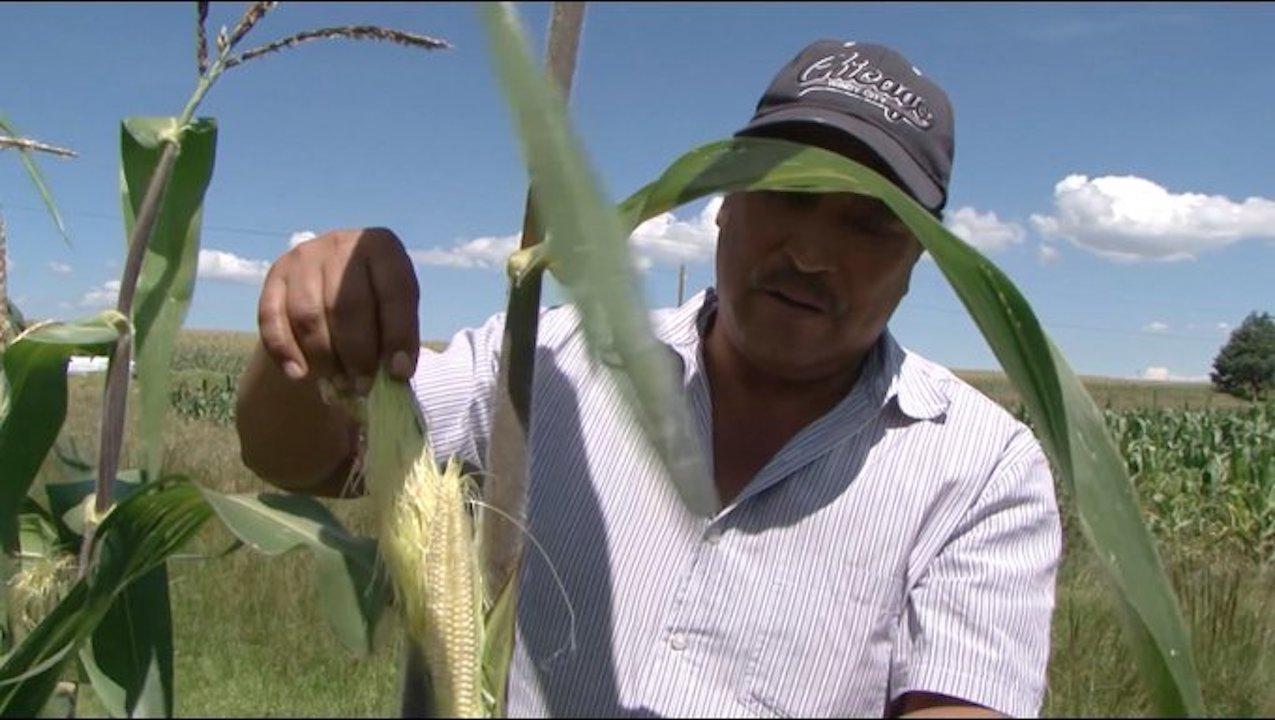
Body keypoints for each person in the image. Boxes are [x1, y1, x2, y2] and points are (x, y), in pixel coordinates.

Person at [236, 39, 1061, 718]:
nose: (810, 255)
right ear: (723, 200)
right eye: (787, 195)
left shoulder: (982, 468)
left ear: (917, 259)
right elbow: (308, 458)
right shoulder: (548, 361)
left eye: (869, 223)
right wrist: (310, 337)